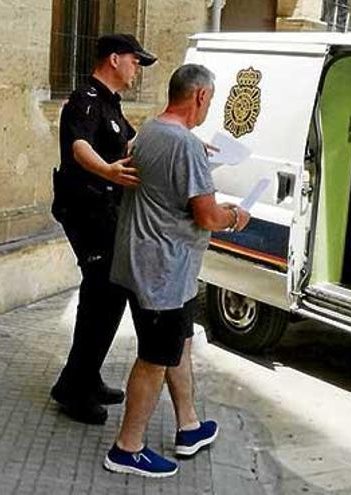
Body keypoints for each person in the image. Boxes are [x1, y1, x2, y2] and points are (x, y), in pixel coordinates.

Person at [102, 64, 250, 477]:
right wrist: (236, 216)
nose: (208, 108)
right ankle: (127, 448)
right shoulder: (183, 145)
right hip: (161, 274)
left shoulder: (150, 130)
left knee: (178, 344)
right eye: (210, 100)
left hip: (152, 267)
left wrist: (190, 150)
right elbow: (206, 216)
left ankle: (188, 426)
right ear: (200, 96)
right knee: (153, 358)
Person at [50, 34, 156, 425]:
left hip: (104, 210)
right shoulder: (85, 100)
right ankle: (73, 390)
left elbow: (133, 143)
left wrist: (180, 141)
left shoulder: (112, 104)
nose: (138, 68)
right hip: (85, 209)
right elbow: (79, 146)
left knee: (105, 296)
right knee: (103, 296)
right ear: (114, 59)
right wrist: (108, 170)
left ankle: (84, 376)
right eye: (135, 60)